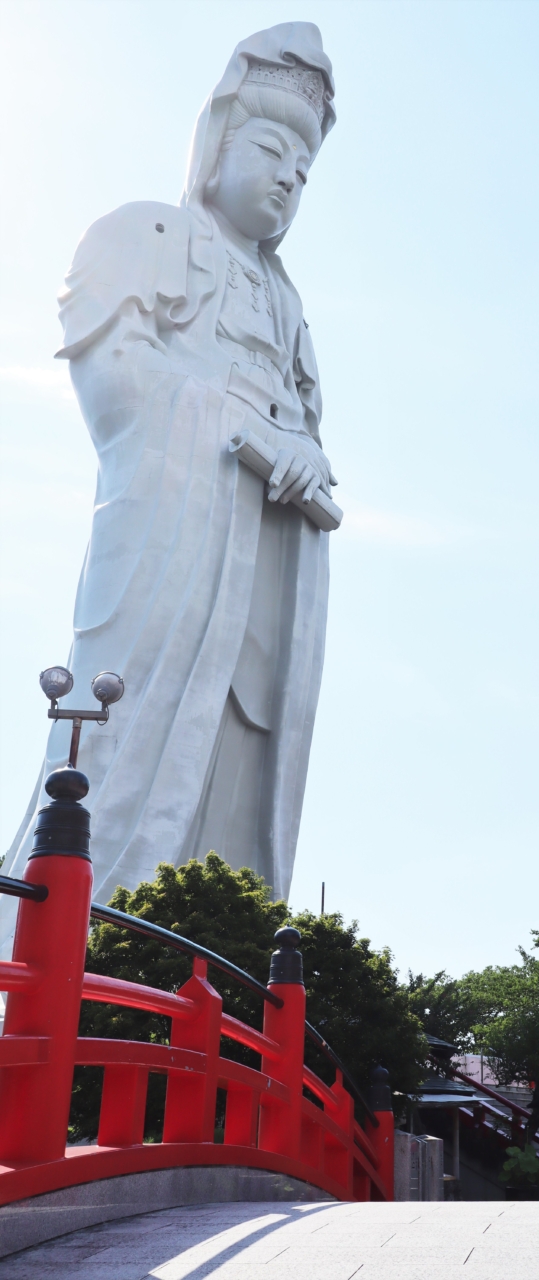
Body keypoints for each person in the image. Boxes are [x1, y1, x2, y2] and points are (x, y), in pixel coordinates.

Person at [1, 24, 338, 951]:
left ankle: (211, 966)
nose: (286, 180)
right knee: (120, 750)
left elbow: (305, 432)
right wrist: (244, 427)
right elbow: (119, 391)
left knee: (239, 771)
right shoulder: (144, 234)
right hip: (173, 551)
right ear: (216, 144)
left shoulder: (289, 307)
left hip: (263, 575)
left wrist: (299, 454)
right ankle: (74, 956)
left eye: (303, 172)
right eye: (270, 150)